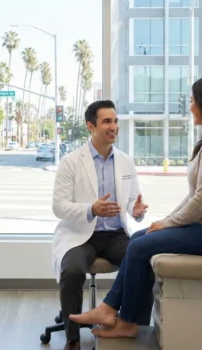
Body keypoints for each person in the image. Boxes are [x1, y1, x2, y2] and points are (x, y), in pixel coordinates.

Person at [69, 75, 202, 339]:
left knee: (138, 245)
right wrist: (164, 222)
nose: (190, 105)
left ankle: (125, 321)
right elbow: (197, 195)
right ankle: (110, 309)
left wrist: (167, 224)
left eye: (193, 100)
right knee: (140, 237)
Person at [51, 100, 150, 350]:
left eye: (115, 121)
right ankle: (73, 337)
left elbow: (130, 202)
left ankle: (134, 324)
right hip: (80, 235)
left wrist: (135, 211)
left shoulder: (126, 161)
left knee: (143, 260)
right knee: (72, 270)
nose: (113, 126)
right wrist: (90, 209)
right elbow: (58, 206)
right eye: (107, 121)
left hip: (115, 234)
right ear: (90, 126)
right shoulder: (71, 161)